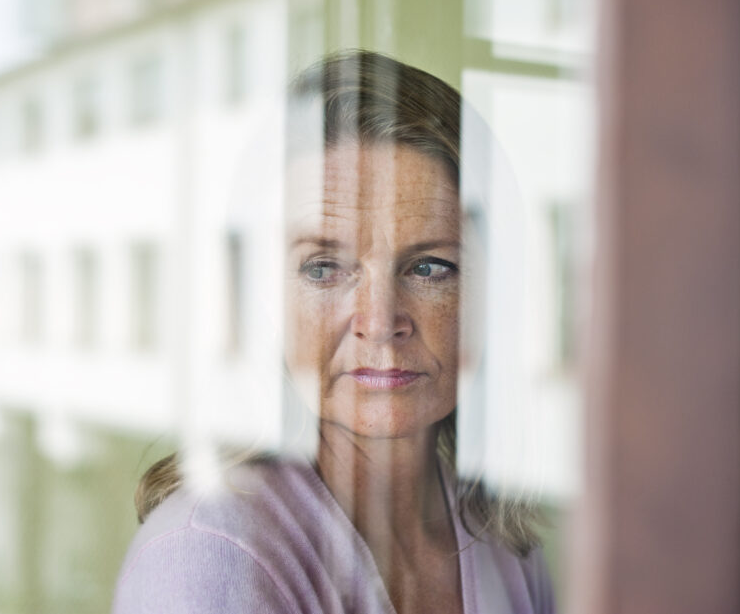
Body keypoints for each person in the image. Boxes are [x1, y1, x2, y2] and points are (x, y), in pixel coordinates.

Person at [112, 51, 554, 614]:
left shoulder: (504, 538)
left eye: (430, 267)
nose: (379, 321)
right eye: (323, 268)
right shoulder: (208, 558)